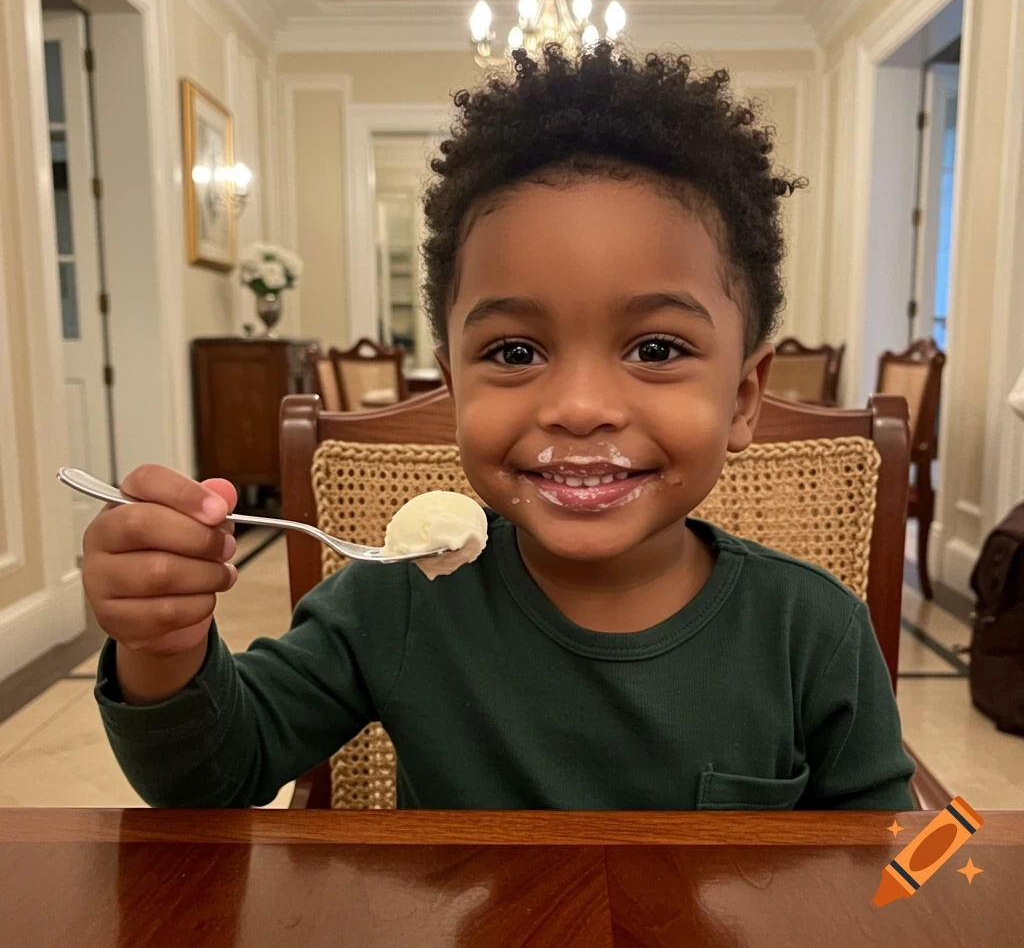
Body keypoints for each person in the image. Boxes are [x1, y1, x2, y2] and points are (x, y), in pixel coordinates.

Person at [84, 43, 915, 809]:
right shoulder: (401, 598)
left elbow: (905, 855)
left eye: (655, 347)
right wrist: (161, 644)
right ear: (452, 390)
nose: (582, 406)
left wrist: (956, 883)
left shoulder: (812, 631)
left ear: (742, 397)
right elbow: (211, 777)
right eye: (515, 351)